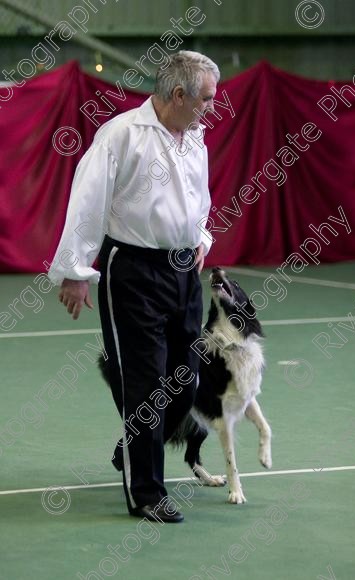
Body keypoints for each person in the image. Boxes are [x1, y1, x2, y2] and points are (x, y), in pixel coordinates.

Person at [48, 50, 219, 523]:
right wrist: (76, 271)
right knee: (146, 385)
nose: (211, 107)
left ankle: (135, 446)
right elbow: (88, 202)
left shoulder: (196, 139)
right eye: (205, 98)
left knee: (186, 382)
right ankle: (146, 492)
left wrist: (200, 237)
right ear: (178, 95)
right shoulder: (121, 135)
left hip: (185, 275)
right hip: (134, 275)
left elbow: (198, 200)